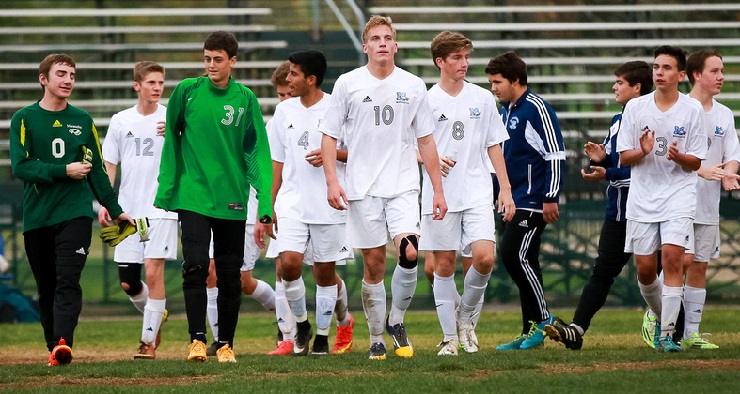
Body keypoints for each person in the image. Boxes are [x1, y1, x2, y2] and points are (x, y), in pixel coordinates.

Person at [320, 15, 448, 360]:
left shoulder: (414, 85)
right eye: (375, 37)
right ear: (365, 46)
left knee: (409, 252)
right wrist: (333, 181)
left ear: (395, 45)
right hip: (362, 188)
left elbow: (426, 141)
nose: (381, 42)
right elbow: (329, 136)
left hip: (403, 184)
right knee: (374, 265)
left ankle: (397, 321)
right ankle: (376, 336)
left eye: (387, 37)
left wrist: (437, 189)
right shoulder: (348, 84)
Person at [154, 31, 273, 363]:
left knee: (229, 272)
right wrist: (168, 187)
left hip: (232, 198)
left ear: (232, 61)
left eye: (217, 59)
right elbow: (172, 135)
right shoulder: (187, 91)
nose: (210, 65)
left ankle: (225, 345)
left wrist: (264, 202)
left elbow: (257, 152)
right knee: (194, 265)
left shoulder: (245, 99)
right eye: (206, 59)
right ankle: (196, 340)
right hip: (192, 195)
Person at [9, 53, 135, 366]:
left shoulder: (82, 120)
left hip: (76, 213)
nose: (68, 80)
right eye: (61, 74)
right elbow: (21, 166)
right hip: (38, 218)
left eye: (72, 75)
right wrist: (63, 170)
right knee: (47, 285)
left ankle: (64, 342)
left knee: (68, 278)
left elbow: (96, 171)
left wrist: (115, 208)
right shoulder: (23, 118)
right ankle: (54, 344)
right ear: (44, 79)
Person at [543, 61, 653, 350]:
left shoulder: (653, 118)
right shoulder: (619, 119)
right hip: (618, 211)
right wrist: (602, 160)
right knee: (603, 271)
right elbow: (619, 163)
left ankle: (673, 328)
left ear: (637, 87)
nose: (614, 87)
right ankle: (577, 330)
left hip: (652, 210)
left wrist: (610, 172)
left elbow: (648, 171)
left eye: (620, 82)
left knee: (657, 270)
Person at [420, 31, 514, 356]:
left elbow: (493, 143)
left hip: (476, 188)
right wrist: (429, 158)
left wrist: (505, 187)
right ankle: (449, 339)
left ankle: (464, 319)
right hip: (439, 192)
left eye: (466, 57)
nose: (465, 63)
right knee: (442, 265)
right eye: (457, 58)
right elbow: (411, 146)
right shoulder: (426, 100)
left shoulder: (482, 98)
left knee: (485, 258)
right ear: (440, 62)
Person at [257, 50, 354, 356]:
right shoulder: (284, 113)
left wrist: (330, 154)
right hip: (292, 203)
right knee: (289, 263)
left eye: (294, 74)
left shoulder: (336, 109)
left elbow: (358, 153)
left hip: (329, 202)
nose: (288, 79)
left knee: (325, 274)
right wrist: (268, 204)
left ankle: (323, 337)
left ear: (311, 80)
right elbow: (276, 161)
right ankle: (302, 325)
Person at [617, 45, 707, 353]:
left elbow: (696, 163)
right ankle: (660, 318)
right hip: (643, 198)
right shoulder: (636, 108)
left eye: (667, 68)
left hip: (679, 195)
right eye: (656, 67)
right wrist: (642, 150)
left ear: (681, 75)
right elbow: (624, 158)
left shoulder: (692, 109)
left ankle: (668, 335)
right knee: (644, 269)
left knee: (671, 259)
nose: (659, 72)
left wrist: (680, 156)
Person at [98, 61, 178, 359]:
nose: (157, 88)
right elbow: (110, 165)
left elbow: (190, 155)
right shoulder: (121, 120)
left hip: (161, 208)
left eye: (161, 82)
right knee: (129, 282)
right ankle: (157, 315)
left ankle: (147, 342)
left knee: (154, 273)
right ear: (137, 86)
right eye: (151, 83)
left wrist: (175, 134)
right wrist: (108, 202)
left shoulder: (172, 118)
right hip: (127, 212)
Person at [486, 52, 565, 351]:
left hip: (532, 201)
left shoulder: (536, 108)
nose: (493, 88)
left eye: (497, 82)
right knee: (527, 261)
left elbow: (555, 154)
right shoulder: (505, 111)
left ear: (516, 80)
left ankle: (544, 320)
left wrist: (550, 197)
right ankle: (530, 330)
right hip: (511, 201)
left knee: (512, 256)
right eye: (491, 82)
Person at [679, 50, 740, 349]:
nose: (721, 76)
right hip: (678, 201)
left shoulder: (724, 114)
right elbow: (667, 154)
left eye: (722, 70)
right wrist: (699, 169)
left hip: (708, 203)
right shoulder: (679, 108)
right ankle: (659, 315)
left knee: (700, 264)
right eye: (714, 71)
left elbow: (733, 155)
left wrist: (729, 174)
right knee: (683, 259)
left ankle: (691, 333)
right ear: (696, 75)